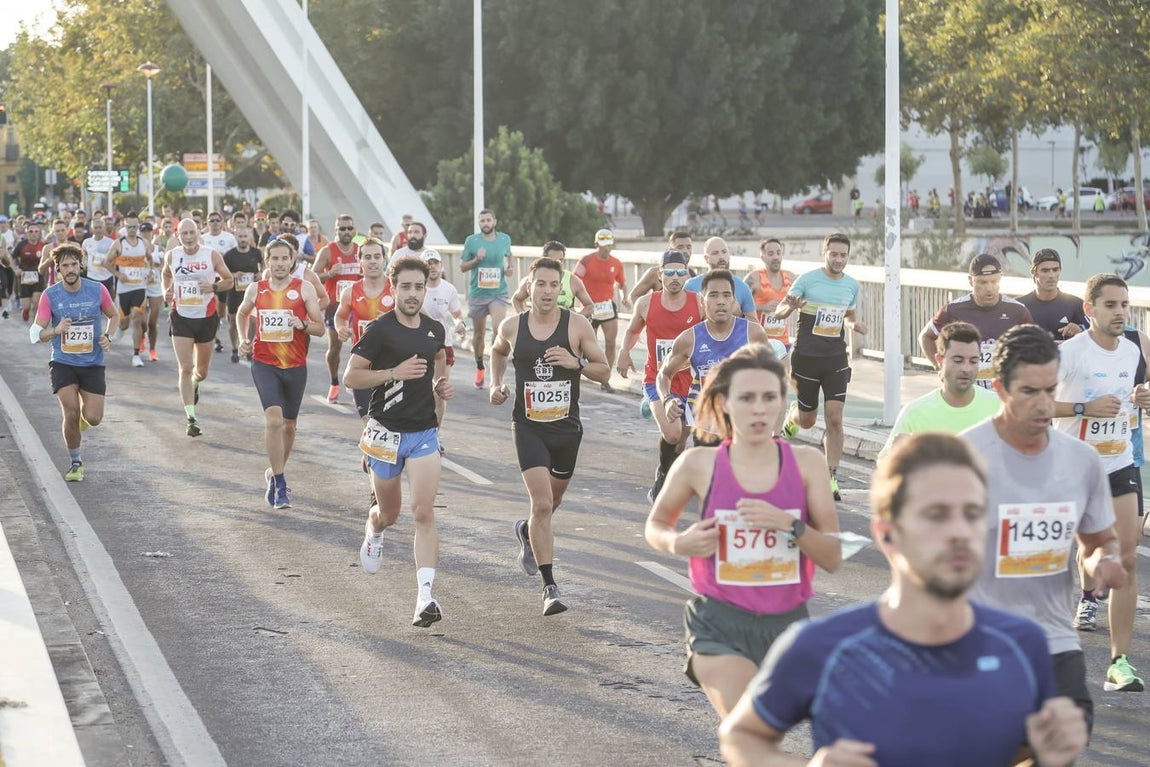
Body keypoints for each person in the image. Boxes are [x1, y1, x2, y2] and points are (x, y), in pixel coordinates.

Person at [719, 432, 1088, 767]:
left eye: (973, 514)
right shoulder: (822, 647)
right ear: (888, 535)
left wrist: (1054, 759)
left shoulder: (1024, 644)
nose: (960, 532)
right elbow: (741, 736)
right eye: (937, 515)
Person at [646, 344, 841, 719]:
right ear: (725, 403)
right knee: (745, 725)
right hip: (718, 623)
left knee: (760, 741)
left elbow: (832, 556)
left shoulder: (807, 464)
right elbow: (656, 525)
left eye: (769, 397)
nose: (759, 408)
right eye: (746, 398)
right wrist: (679, 541)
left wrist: (789, 525)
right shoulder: (697, 464)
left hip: (788, 624)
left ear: (783, 401)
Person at [964, 324, 1128, 737]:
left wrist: (1104, 560)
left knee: (1065, 740)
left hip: (1053, 640)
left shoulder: (1080, 461)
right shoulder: (964, 457)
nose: (1043, 405)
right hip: (984, 640)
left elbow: (1097, 540)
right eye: (1029, 392)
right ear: (1000, 388)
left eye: (1050, 391)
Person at [489, 256, 610, 615]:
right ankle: (550, 587)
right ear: (529, 286)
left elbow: (603, 372)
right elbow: (497, 350)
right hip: (527, 428)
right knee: (542, 504)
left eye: (553, 285)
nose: (546, 291)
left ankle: (527, 532)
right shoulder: (513, 326)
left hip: (566, 430)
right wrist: (496, 384)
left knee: (550, 505)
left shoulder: (577, 326)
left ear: (562, 289)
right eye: (539, 284)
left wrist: (578, 364)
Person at [344, 257, 454, 628]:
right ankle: (373, 530)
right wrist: (393, 373)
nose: (412, 294)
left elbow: (439, 359)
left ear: (427, 289)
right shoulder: (380, 330)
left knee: (423, 512)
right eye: (405, 287)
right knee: (389, 514)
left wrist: (440, 384)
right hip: (386, 434)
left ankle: (425, 597)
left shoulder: (434, 329)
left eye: (418, 287)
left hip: (423, 432)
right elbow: (351, 377)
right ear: (393, 289)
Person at [1052, 274, 1147, 691]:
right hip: (1073, 466)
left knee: (1127, 559)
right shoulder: (1069, 353)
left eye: (1124, 305)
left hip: (1119, 461)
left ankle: (1118, 663)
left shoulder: (1131, 351)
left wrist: (1145, 396)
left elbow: (1135, 395)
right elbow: (1030, 401)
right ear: (1089, 309)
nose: (1120, 312)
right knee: (1085, 555)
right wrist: (1082, 406)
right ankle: (1086, 597)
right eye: (1110, 305)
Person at [776, 233, 867, 500]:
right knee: (808, 420)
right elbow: (780, 310)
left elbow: (848, 315)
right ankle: (794, 416)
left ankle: (831, 477)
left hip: (836, 358)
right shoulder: (807, 280)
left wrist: (854, 325)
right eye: (834, 254)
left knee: (835, 418)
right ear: (824, 252)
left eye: (843, 255)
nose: (838, 259)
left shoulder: (852, 285)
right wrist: (790, 308)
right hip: (806, 357)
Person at [236, 237, 324, 509]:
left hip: (295, 365)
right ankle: (281, 482)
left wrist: (303, 324)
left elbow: (320, 328)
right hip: (264, 363)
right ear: (267, 262)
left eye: (284, 258)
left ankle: (273, 473)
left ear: (292, 260)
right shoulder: (256, 289)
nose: (280, 263)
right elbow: (242, 313)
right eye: (274, 259)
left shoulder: (305, 288)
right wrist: (242, 338)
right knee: (273, 421)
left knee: (289, 425)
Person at [617, 249, 702, 500]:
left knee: (682, 436)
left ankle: (668, 472)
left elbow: (712, 333)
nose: (675, 277)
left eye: (680, 272)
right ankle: (664, 476)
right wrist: (624, 351)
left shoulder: (698, 302)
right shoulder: (646, 302)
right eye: (669, 272)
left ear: (687, 273)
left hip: (690, 380)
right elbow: (633, 331)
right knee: (672, 433)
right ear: (659, 274)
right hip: (657, 377)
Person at [29, 244, 118, 481]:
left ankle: (83, 419)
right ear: (58, 270)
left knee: (94, 419)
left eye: (73, 264)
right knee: (70, 411)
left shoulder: (97, 290)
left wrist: (108, 336)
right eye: (65, 266)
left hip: (92, 363)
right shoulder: (51, 295)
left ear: (81, 266)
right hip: (63, 362)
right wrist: (55, 330)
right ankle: (76, 462)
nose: (70, 269)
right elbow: (34, 333)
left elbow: (114, 315)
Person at [659, 271, 769, 448]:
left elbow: (772, 377)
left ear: (733, 301)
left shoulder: (753, 333)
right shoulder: (689, 339)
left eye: (726, 295)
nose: (721, 301)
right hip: (706, 428)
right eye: (713, 295)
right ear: (702, 302)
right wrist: (666, 400)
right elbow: (663, 375)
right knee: (707, 472)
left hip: (744, 426)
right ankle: (666, 471)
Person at [879, 321, 1001, 457]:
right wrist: (897, 455)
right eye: (958, 360)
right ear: (939, 360)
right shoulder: (915, 413)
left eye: (973, 361)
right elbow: (884, 465)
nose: (966, 369)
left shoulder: (1000, 408)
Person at [161, 217, 234, 437]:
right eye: (184, 234)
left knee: (200, 372)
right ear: (177, 235)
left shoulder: (211, 254)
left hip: (206, 316)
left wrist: (212, 286)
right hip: (181, 316)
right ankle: (191, 418)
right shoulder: (172, 256)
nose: (189, 237)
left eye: (192, 233)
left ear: (198, 234)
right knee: (184, 367)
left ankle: (195, 383)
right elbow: (166, 274)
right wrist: (167, 290)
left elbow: (229, 280)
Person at [919, 254, 1033, 391]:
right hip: (966, 391)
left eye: (994, 281)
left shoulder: (1018, 311)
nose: (989, 288)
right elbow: (926, 336)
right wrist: (939, 367)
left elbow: (1034, 347)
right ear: (970, 281)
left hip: (1004, 392)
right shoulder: (954, 309)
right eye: (982, 282)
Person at [334, 238, 394, 421]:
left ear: (384, 259)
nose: (373, 261)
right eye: (367, 257)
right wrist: (340, 328)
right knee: (371, 427)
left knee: (391, 426)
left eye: (377, 256)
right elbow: (340, 316)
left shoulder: (396, 289)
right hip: (362, 369)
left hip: (392, 366)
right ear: (360, 262)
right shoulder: (351, 292)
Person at [460, 209, 513, 388]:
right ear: (479, 223)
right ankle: (480, 366)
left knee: (499, 331)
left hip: (498, 292)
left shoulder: (504, 239)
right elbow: (462, 267)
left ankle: (495, 372)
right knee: (479, 334)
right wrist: (476, 260)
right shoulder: (471, 241)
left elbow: (508, 255)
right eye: (482, 221)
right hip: (478, 293)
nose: (485, 223)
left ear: (494, 221)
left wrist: (510, 267)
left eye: (488, 220)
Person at [573, 228, 631, 392]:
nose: (606, 249)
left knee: (611, 343)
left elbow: (622, 284)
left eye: (609, 245)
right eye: (603, 245)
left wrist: (625, 297)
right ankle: (582, 369)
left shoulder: (616, 263)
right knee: (586, 344)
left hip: (607, 307)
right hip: (590, 306)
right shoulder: (586, 261)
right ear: (596, 244)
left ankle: (605, 379)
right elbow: (575, 280)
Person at [312, 214, 361, 402]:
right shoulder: (328, 251)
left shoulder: (360, 250)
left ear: (354, 230)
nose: (346, 232)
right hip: (335, 307)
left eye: (349, 228)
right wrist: (330, 273)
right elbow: (314, 275)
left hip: (358, 305)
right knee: (335, 349)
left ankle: (355, 381)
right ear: (336, 230)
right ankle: (334, 382)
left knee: (362, 346)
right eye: (342, 228)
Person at [420, 249, 463, 437]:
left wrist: (460, 323)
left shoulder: (449, 289)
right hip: (419, 344)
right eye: (428, 264)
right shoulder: (416, 287)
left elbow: (456, 313)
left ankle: (433, 437)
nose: (432, 267)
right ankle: (416, 431)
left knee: (439, 390)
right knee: (420, 391)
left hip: (443, 344)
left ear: (441, 265)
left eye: (435, 263)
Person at [105, 211, 153, 367]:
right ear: (125, 227)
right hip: (123, 290)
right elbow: (106, 262)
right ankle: (120, 327)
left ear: (138, 226)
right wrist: (118, 274)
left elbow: (149, 258)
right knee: (125, 323)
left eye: (135, 226)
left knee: (137, 318)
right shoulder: (119, 244)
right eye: (129, 226)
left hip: (139, 288)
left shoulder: (144, 243)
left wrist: (150, 271)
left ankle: (136, 355)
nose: (132, 229)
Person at [1016, 249, 1087, 341]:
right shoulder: (1018, 306)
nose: (1051, 275)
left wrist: (1080, 330)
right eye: (1045, 270)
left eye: (1055, 270)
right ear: (1034, 273)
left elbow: (1095, 336)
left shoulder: (1076, 304)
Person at [512, 241, 594, 317]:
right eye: (552, 260)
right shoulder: (532, 278)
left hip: (563, 328)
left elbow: (589, 306)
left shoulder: (572, 281)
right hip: (538, 326)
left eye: (559, 261)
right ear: (543, 259)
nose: (555, 264)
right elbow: (516, 299)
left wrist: (575, 318)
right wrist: (524, 319)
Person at [683, 237, 756, 318]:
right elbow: (683, 321)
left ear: (729, 255)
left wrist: (740, 314)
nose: (721, 257)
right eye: (715, 253)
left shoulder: (742, 287)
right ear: (706, 258)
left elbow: (756, 325)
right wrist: (703, 314)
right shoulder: (691, 286)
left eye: (724, 252)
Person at [744, 238, 795, 350]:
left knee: (784, 368)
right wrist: (762, 307)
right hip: (759, 342)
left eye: (778, 253)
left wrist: (791, 307)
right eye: (770, 254)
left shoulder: (790, 278)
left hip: (783, 341)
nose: (775, 257)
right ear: (762, 257)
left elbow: (804, 301)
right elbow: (738, 305)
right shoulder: (754, 278)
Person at [223, 224, 262, 362]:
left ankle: (249, 346)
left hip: (252, 293)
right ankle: (235, 348)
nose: (243, 239)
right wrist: (233, 275)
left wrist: (260, 275)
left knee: (253, 321)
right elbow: (223, 274)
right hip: (234, 293)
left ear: (249, 237)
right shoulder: (229, 255)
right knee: (233, 322)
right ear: (235, 237)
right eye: (240, 236)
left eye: (245, 236)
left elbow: (264, 268)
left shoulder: (256, 253)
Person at [629, 231, 693, 303]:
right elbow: (633, 296)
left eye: (688, 247)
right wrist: (647, 311)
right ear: (670, 249)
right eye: (680, 247)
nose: (685, 251)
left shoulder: (693, 275)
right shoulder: (655, 273)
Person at [12, 220, 47, 323]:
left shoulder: (43, 245)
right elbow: (12, 257)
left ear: (39, 233)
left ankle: (35, 325)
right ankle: (26, 310)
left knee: (36, 302)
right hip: (24, 277)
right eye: (31, 231)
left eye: (36, 231)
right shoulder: (21, 245)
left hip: (38, 276)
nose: (33, 234)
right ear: (27, 233)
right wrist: (16, 269)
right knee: (26, 305)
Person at [139, 221, 164, 361]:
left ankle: (152, 349)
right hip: (141, 287)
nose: (146, 234)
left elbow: (164, 266)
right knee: (142, 321)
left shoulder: (157, 248)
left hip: (155, 287)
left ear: (152, 232)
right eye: (143, 231)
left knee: (152, 322)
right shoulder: (136, 249)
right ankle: (142, 336)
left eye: (148, 231)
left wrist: (155, 268)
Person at [81, 214, 116, 298]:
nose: (98, 230)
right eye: (96, 228)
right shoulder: (86, 242)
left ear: (104, 228)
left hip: (107, 277)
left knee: (108, 302)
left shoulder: (111, 242)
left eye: (100, 227)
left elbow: (114, 259)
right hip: (91, 277)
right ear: (92, 229)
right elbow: (84, 257)